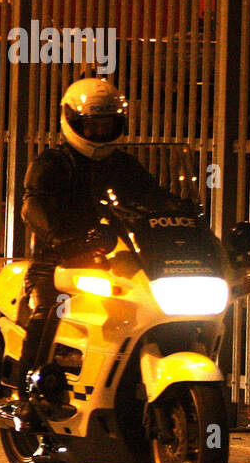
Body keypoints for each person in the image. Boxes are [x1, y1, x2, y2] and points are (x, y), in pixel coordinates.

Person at [18, 77, 183, 418]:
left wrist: (183, 214)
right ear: (74, 121)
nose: (99, 131)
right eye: (92, 124)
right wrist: (59, 237)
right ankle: (28, 392)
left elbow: (155, 199)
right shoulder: (53, 163)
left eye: (106, 123)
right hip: (60, 261)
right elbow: (32, 207)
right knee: (48, 309)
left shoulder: (124, 165)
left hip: (120, 259)